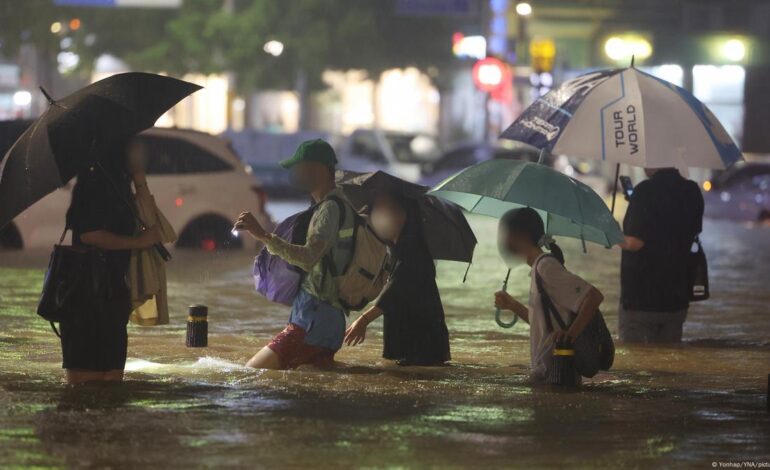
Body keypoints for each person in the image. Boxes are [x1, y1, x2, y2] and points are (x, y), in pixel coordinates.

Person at [235, 139, 355, 370]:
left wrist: (262, 235)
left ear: (317, 169)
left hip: (312, 321)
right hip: (326, 320)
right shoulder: (339, 205)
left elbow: (309, 257)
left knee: (252, 373)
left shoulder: (329, 210)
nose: (295, 174)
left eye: (299, 168)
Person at [60, 138, 163, 385]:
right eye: (134, 146)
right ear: (118, 151)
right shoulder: (94, 184)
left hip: (113, 295)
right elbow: (90, 234)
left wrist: (139, 178)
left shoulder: (121, 185)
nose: (141, 150)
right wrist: (138, 243)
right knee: (85, 386)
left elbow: (154, 225)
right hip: (85, 297)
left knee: (112, 383)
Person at [492, 208, 604, 383]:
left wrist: (570, 335)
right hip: (547, 373)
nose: (503, 241)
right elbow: (544, 324)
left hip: (558, 373)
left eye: (507, 234)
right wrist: (513, 305)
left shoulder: (546, 267)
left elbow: (594, 297)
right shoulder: (538, 269)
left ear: (521, 236)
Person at [344, 192, 450, 366]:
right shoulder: (396, 250)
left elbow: (393, 292)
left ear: (405, 215)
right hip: (414, 346)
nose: (382, 217)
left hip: (421, 347)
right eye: (377, 210)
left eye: (390, 210)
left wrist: (363, 320)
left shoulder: (414, 252)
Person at [619, 168, 704, 343]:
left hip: (641, 298)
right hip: (677, 298)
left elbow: (634, 243)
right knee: (670, 361)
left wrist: (611, 234)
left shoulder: (644, 191)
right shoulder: (692, 191)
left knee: (638, 363)